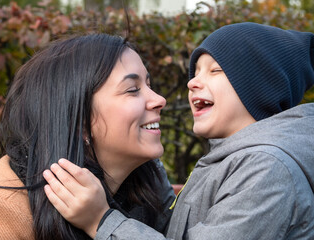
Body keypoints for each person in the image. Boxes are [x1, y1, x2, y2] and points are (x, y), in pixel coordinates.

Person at [44, 22, 314, 239]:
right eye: (195, 72)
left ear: (261, 87)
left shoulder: (267, 168)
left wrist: (101, 221)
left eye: (215, 70)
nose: (193, 82)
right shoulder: (232, 159)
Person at [0, 34, 176, 239]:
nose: (159, 99)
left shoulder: (148, 194)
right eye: (132, 89)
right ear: (79, 122)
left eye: (148, 85)